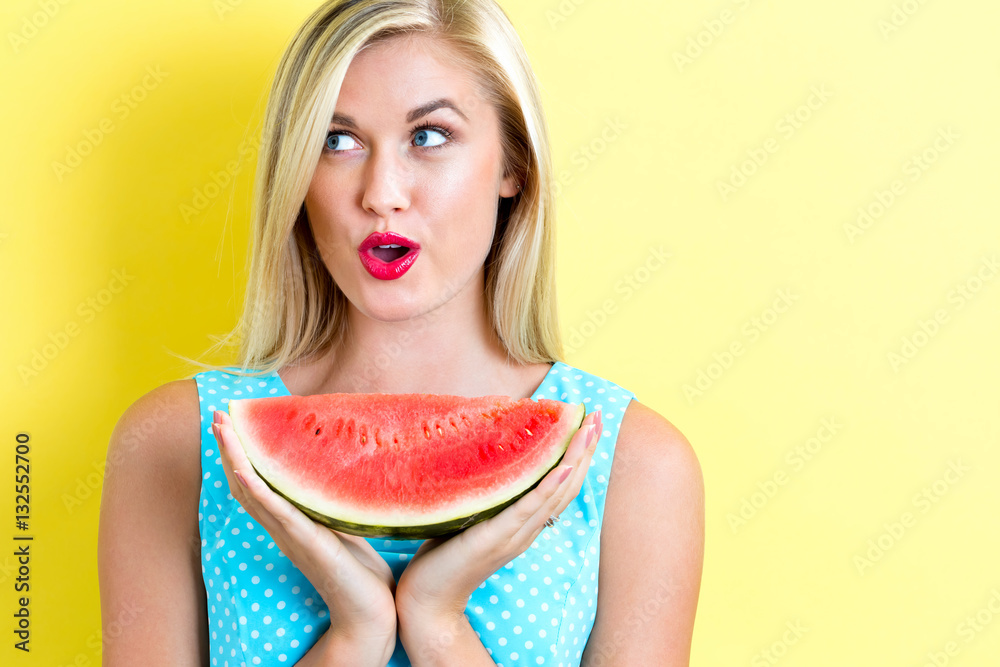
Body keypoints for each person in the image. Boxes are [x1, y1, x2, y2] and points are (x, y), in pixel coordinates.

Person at [97, 0, 704, 664]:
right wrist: (353, 635)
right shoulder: (175, 445)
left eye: (430, 135)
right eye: (337, 140)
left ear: (513, 167)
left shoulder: (637, 467)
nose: (381, 193)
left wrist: (437, 621)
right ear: (298, 177)